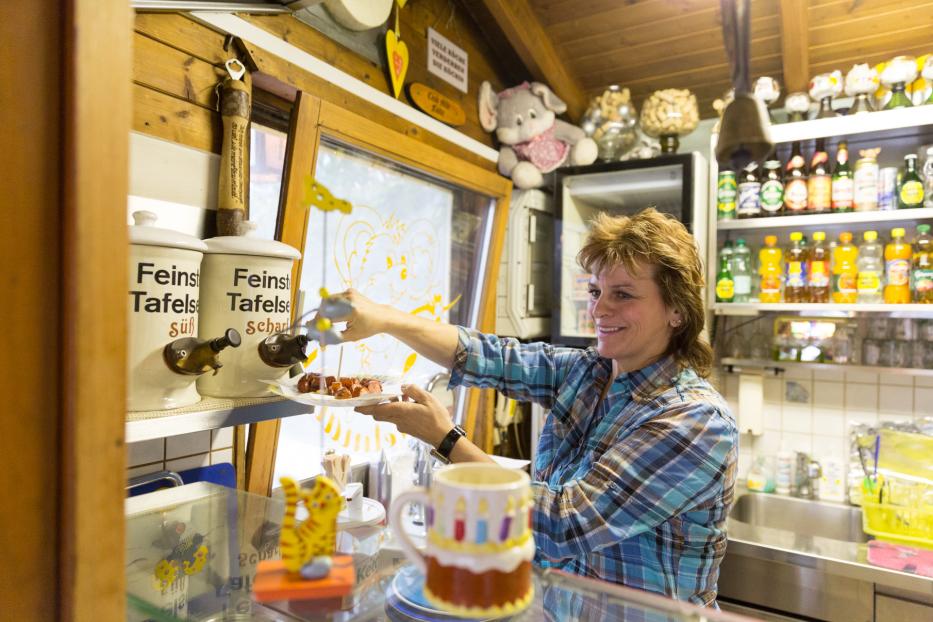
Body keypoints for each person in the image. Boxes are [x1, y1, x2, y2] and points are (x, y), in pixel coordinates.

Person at [336, 208, 737, 607]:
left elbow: (562, 524)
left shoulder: (695, 421)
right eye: (596, 292)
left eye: (623, 294)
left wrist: (447, 439)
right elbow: (488, 356)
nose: (599, 310)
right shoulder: (589, 373)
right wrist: (386, 319)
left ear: (677, 310)